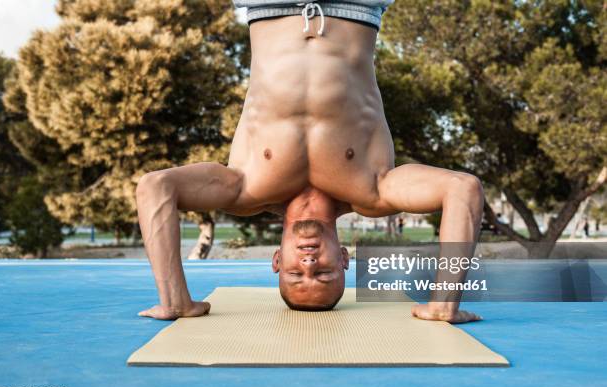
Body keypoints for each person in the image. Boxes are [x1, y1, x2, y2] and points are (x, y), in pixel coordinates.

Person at [135, 0, 484, 323]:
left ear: (276, 260)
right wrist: (444, 303)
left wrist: (176, 301)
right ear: (345, 259)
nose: (309, 263)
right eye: (324, 274)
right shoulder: (374, 192)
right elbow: (463, 188)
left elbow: (156, 187)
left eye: (295, 273)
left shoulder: (245, 189)